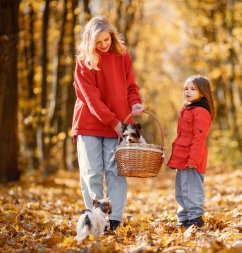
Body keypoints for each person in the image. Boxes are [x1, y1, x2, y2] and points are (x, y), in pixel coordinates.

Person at [72, 16, 143, 231]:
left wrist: (136, 102)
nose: (103, 45)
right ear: (90, 41)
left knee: (115, 172)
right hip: (89, 123)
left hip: (119, 125)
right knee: (92, 173)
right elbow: (90, 98)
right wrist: (113, 122)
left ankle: (114, 221)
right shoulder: (84, 61)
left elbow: (131, 85)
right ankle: (96, 220)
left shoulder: (122, 55)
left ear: (111, 36)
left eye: (106, 40)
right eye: (98, 42)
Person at [167, 75, 216, 228]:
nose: (188, 91)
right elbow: (182, 136)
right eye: (186, 88)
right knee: (181, 190)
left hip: (192, 159)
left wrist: (193, 159)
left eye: (192, 89)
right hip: (182, 158)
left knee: (192, 189)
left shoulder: (201, 111)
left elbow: (199, 137)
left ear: (202, 92)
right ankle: (183, 218)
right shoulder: (188, 109)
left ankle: (195, 218)